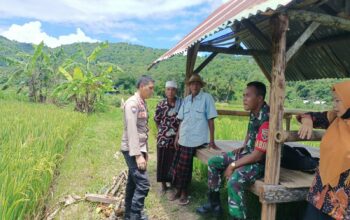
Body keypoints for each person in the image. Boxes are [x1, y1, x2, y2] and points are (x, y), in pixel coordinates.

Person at [197, 81, 269, 220]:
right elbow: (251, 131)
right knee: (214, 161)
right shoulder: (254, 112)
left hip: (261, 163)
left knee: (234, 179)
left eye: (248, 96)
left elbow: (258, 156)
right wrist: (245, 145)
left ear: (259, 98)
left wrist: (233, 165)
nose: (244, 99)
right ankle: (214, 204)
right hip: (248, 153)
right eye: (243, 95)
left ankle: (237, 217)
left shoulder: (266, 119)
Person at [297, 80, 350, 220]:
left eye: (338, 100)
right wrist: (307, 122)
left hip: (342, 201)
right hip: (320, 192)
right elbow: (309, 115)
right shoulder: (333, 119)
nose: (334, 105)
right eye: (333, 100)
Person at [168, 74, 219, 205]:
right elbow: (181, 120)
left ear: (201, 86)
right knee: (177, 166)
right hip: (183, 138)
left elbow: (211, 120)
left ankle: (184, 192)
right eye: (192, 84)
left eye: (197, 83)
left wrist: (212, 141)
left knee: (184, 167)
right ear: (189, 86)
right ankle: (178, 190)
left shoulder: (207, 98)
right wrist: (177, 136)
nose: (194, 86)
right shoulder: (186, 100)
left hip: (196, 139)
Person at [121, 75, 155, 220]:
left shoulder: (142, 102)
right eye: (150, 88)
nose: (152, 91)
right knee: (143, 183)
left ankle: (128, 214)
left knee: (132, 183)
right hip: (131, 149)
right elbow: (132, 130)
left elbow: (143, 129)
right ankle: (135, 215)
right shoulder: (132, 103)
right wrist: (138, 155)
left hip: (139, 148)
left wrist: (144, 152)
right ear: (142, 86)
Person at [154, 80, 182, 194]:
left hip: (176, 139)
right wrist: (162, 132)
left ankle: (173, 182)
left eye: (173, 89)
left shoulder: (180, 104)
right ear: (165, 91)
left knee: (173, 161)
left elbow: (182, 121)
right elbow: (157, 120)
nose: (170, 92)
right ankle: (163, 185)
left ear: (176, 91)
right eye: (168, 89)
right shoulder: (161, 104)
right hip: (163, 138)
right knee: (162, 160)